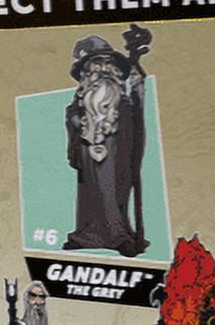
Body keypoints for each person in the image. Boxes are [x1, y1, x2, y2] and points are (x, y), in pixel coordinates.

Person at [63, 28, 151, 256]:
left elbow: (137, 108)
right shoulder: (81, 99)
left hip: (118, 145)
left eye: (107, 63)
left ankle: (118, 235)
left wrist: (137, 78)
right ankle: (87, 235)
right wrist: (77, 123)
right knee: (89, 191)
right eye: (97, 63)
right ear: (86, 71)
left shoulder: (123, 100)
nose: (102, 68)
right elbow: (72, 115)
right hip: (88, 146)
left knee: (115, 188)